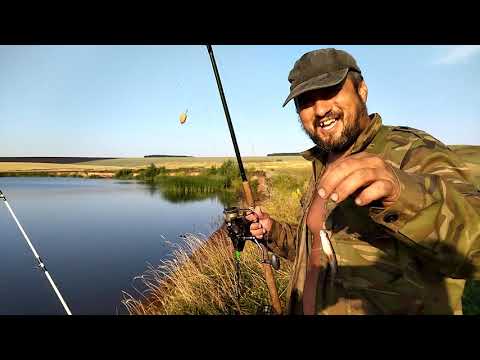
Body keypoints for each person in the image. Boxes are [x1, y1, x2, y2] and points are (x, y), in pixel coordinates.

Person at [246, 48, 480, 315]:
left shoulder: (412, 150)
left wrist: (402, 193)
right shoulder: (320, 165)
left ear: (362, 91)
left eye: (330, 91)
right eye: (306, 101)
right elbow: (317, 246)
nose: (320, 109)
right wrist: (274, 232)